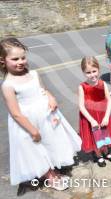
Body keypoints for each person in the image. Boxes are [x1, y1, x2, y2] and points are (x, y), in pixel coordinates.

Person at [0, 38, 81, 190]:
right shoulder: (8, 85)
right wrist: (32, 130)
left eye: (23, 57)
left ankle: (53, 169)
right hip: (27, 123)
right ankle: (50, 177)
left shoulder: (34, 74)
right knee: (36, 150)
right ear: (3, 61)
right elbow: (16, 113)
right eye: (15, 59)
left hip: (46, 117)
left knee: (49, 144)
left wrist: (51, 97)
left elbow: (44, 90)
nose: (20, 61)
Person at [78, 56, 111, 167]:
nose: (92, 75)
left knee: (105, 133)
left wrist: (106, 116)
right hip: (91, 117)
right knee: (94, 136)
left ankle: (106, 151)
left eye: (94, 71)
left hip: (102, 115)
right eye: (88, 72)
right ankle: (98, 155)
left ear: (98, 69)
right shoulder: (82, 87)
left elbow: (109, 100)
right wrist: (91, 120)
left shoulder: (102, 84)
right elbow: (81, 106)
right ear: (84, 72)